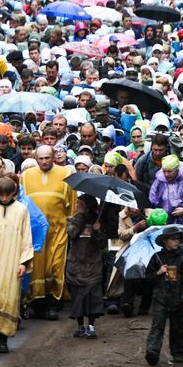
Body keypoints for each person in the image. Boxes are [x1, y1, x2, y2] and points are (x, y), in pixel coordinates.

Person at [0, 177, 35, 352]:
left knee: (9, 299)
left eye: (8, 195)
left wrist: (23, 262)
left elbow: (27, 237)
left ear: (14, 193)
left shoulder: (21, 211)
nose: (4, 198)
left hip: (12, 261)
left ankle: (2, 338)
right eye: (1, 195)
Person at [21, 145, 75, 319]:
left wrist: (72, 227)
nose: (44, 161)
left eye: (47, 158)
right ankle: (37, 305)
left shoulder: (66, 174)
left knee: (56, 266)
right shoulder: (27, 176)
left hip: (58, 230)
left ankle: (54, 304)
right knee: (36, 268)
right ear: (36, 158)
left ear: (54, 157)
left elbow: (72, 207)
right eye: (41, 158)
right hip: (35, 232)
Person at [144, 225, 183, 366]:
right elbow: (147, 279)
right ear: (165, 241)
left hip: (179, 298)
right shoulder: (157, 257)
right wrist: (158, 272)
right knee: (157, 326)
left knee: (178, 328)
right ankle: (152, 351)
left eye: (178, 239)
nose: (177, 242)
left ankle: (178, 353)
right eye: (173, 239)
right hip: (160, 298)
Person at [66, 195, 106, 338]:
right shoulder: (73, 220)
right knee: (78, 297)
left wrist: (98, 231)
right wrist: (80, 216)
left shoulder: (97, 221)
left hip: (92, 265)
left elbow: (103, 244)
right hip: (76, 265)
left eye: (80, 204)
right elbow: (72, 234)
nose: (77, 206)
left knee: (92, 297)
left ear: (88, 206)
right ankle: (80, 325)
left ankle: (91, 325)